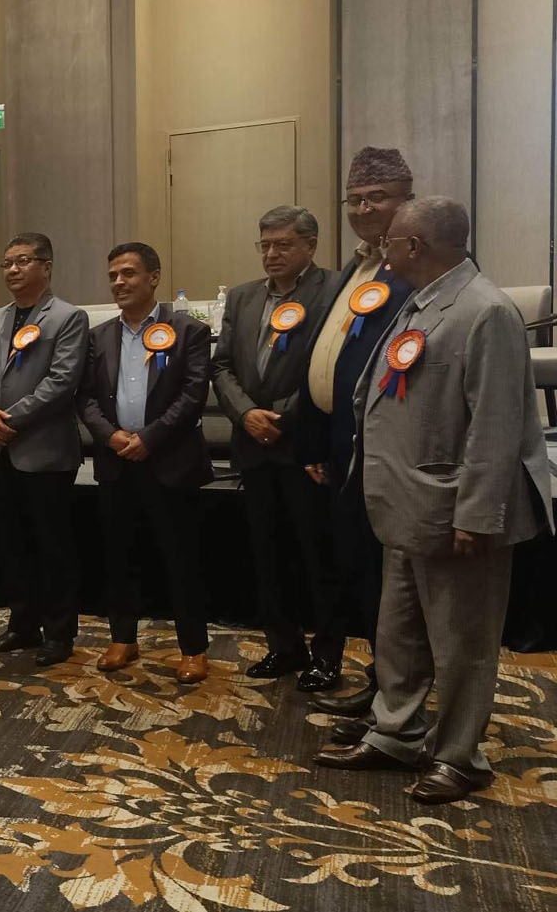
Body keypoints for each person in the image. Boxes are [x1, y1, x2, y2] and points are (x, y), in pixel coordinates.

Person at [314, 197, 553, 804]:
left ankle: (459, 756)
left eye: (390, 242)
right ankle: (395, 732)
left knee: (463, 641)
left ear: (415, 246)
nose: (383, 251)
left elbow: (497, 424)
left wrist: (478, 515)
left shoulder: (485, 310)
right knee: (399, 632)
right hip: (406, 503)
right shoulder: (421, 301)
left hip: (456, 510)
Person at [298, 148, 417, 731]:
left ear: (407, 202)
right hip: (341, 444)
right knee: (358, 572)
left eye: (378, 198)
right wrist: (317, 444)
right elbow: (332, 354)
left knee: (385, 579)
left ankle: (397, 699)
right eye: (355, 200)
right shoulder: (358, 268)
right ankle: (380, 688)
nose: (364, 209)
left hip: (384, 449)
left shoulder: (417, 267)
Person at [213, 205, 340, 690]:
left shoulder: (333, 291)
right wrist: (246, 413)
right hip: (253, 445)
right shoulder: (243, 296)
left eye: (283, 244)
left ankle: (326, 655)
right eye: (265, 244)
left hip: (304, 446)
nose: (272, 253)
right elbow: (222, 366)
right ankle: (284, 646)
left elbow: (331, 364)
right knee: (266, 555)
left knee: (316, 555)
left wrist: (284, 419)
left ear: (310, 245)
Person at [78, 244, 213, 683]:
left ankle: (192, 648)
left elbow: (193, 395)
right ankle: (123, 638)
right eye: (113, 275)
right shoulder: (98, 336)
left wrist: (149, 439)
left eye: (128, 273)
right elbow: (86, 398)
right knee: (119, 555)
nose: (119, 282)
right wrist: (111, 436)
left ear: (153, 277)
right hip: (117, 461)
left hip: (170, 460)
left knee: (181, 558)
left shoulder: (188, 331)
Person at [0, 234, 88, 667]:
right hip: (0, 449)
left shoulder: (68, 317)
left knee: (53, 545)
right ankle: (22, 625)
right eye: (7, 263)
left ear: (46, 266)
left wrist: (8, 419)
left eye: (23, 261)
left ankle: (59, 633)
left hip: (44, 449)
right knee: (13, 544)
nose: (13, 270)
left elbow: (62, 381)